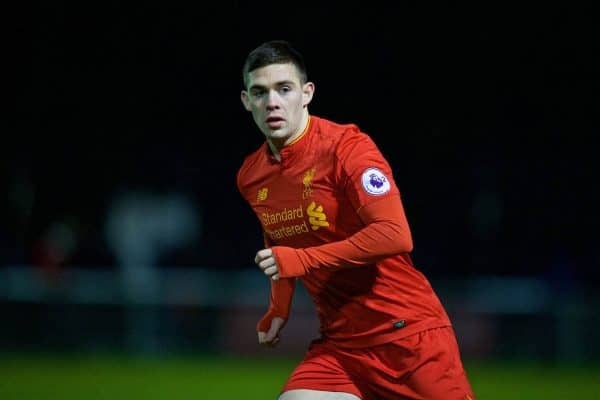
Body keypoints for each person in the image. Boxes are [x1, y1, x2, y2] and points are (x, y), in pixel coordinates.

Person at [236, 40, 475, 400]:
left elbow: (395, 236)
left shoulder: (347, 148)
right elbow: (280, 240)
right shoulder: (251, 175)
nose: (272, 102)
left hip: (406, 335)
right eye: (260, 92)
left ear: (306, 93)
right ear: (246, 101)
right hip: (341, 347)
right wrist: (279, 305)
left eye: (284, 89)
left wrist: (301, 260)